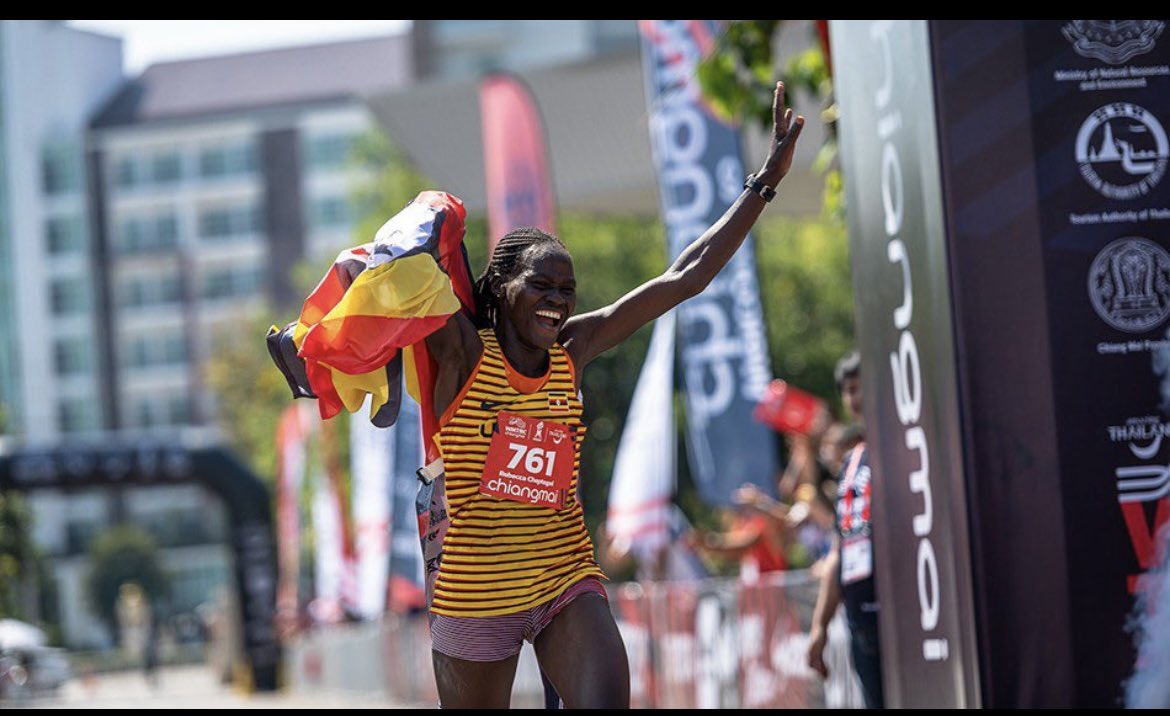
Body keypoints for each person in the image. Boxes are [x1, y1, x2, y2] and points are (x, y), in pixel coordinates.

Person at [421, 82, 804, 709]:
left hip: (563, 578)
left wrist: (763, 182)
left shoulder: (573, 349)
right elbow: (403, 276)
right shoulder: (463, 355)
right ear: (501, 287)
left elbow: (686, 275)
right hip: (476, 592)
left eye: (566, 289)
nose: (557, 301)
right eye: (540, 285)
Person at [806, 350, 884, 709]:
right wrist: (820, 626)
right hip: (861, 623)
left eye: (862, 386)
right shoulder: (851, 462)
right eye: (849, 390)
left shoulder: (904, 445)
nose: (856, 397)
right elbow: (842, 546)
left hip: (901, 619)